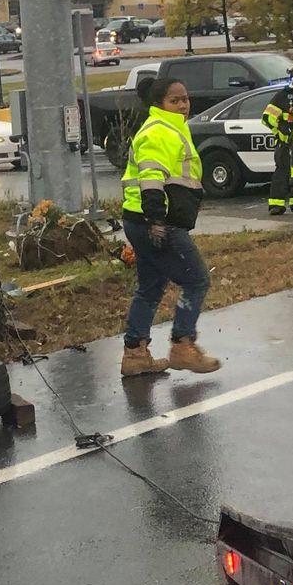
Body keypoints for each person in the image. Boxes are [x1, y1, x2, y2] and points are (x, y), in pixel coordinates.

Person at [119, 72, 221, 378]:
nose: (183, 105)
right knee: (197, 279)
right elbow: (151, 178)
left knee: (150, 287)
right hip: (157, 222)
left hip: (142, 220)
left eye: (185, 99)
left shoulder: (171, 127)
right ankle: (182, 346)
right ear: (159, 103)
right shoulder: (159, 131)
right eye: (174, 100)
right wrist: (156, 221)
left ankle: (135, 354)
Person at [260, 61, 293, 215]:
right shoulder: (283, 96)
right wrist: (282, 132)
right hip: (286, 142)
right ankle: (276, 204)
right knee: (282, 172)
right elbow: (267, 118)